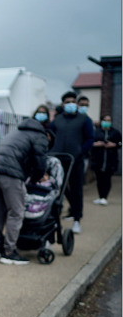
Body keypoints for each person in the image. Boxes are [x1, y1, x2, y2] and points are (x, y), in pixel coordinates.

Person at [0, 117, 49, 265]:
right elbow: (40, 162)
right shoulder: (40, 136)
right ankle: (9, 252)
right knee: (16, 212)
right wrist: (36, 178)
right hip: (11, 174)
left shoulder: (16, 132)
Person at [49, 91, 95, 234]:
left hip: (75, 159)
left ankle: (77, 219)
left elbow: (90, 138)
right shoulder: (57, 120)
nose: (71, 104)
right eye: (68, 102)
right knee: (57, 188)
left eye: (73, 102)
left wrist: (80, 151)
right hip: (58, 159)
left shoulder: (84, 119)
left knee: (76, 189)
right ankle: (53, 217)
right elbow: (50, 136)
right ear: (63, 105)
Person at [90, 114, 121, 205]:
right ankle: (100, 196)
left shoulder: (115, 132)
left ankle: (105, 197)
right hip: (98, 159)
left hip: (110, 160)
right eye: (105, 120)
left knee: (107, 178)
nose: (107, 122)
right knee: (99, 179)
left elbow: (120, 142)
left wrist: (114, 145)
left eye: (109, 120)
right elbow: (90, 142)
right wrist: (96, 144)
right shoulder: (96, 132)